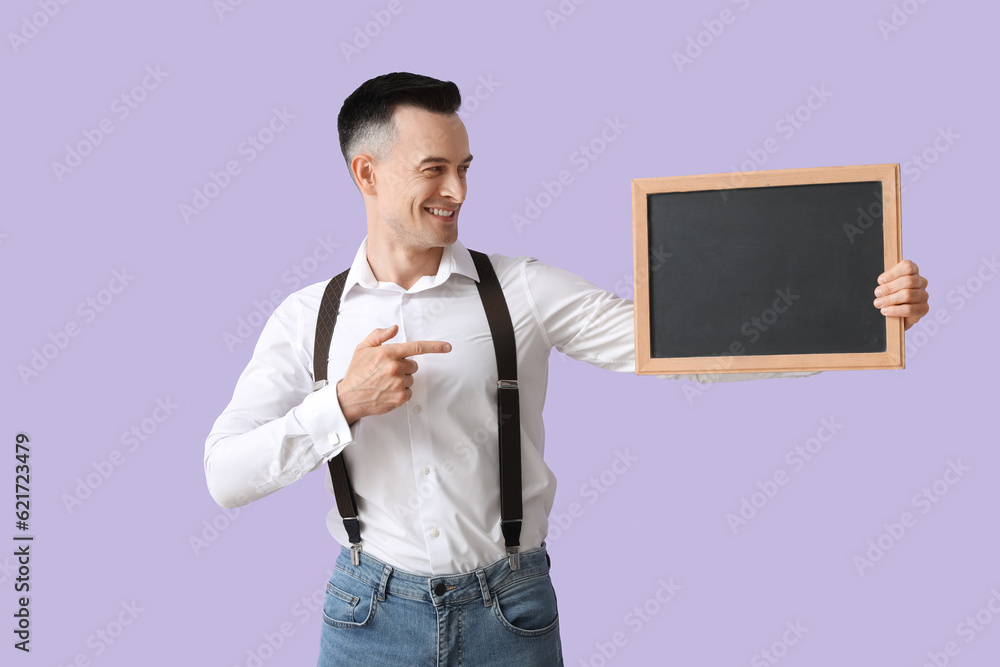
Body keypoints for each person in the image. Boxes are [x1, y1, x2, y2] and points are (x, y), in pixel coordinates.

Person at [203, 72, 930, 666]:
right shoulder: (309, 317)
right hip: (367, 618)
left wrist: (860, 314)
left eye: (464, 168)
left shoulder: (521, 289)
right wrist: (342, 403)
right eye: (434, 169)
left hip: (509, 612)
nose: (457, 190)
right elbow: (226, 476)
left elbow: (679, 349)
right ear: (367, 172)